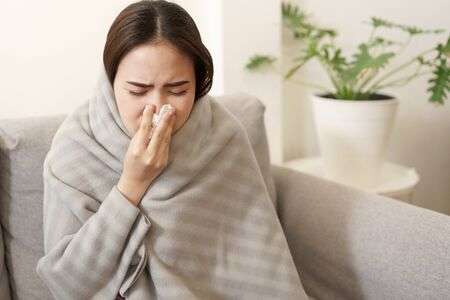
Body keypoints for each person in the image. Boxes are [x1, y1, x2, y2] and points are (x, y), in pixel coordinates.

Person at [36, 1, 309, 299]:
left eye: (178, 90)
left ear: (199, 83)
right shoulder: (76, 147)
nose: (157, 108)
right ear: (110, 82)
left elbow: (262, 264)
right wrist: (132, 184)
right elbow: (67, 283)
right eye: (138, 90)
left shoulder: (223, 136)